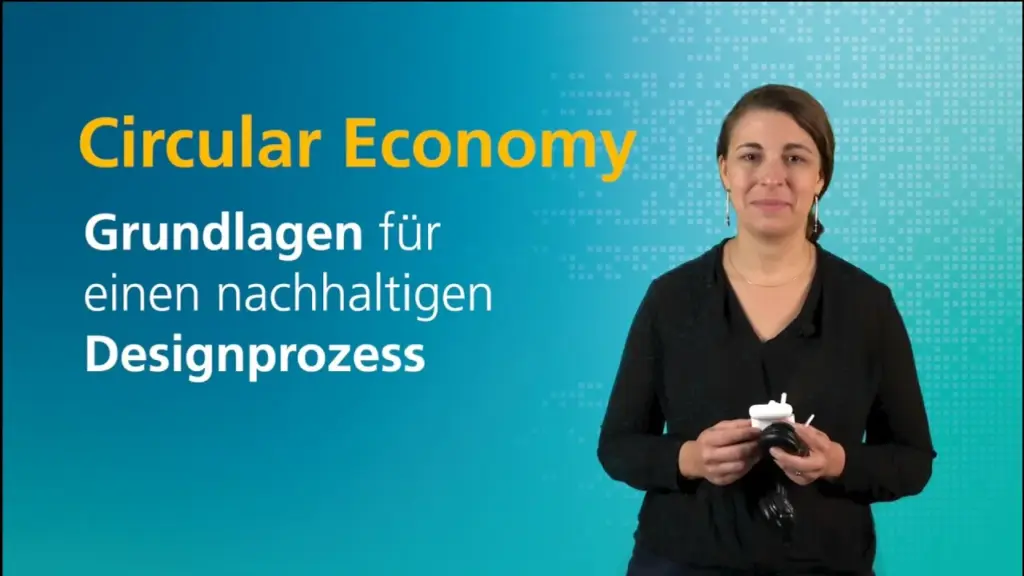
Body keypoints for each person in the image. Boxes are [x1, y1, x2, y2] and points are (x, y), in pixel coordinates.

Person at [597, 84, 937, 576]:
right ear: (724, 170)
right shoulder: (670, 299)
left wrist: (837, 462)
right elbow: (618, 445)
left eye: (795, 158)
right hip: (681, 560)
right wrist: (690, 458)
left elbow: (912, 461)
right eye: (750, 156)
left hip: (825, 565)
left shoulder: (868, 305)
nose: (772, 176)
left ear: (821, 176)